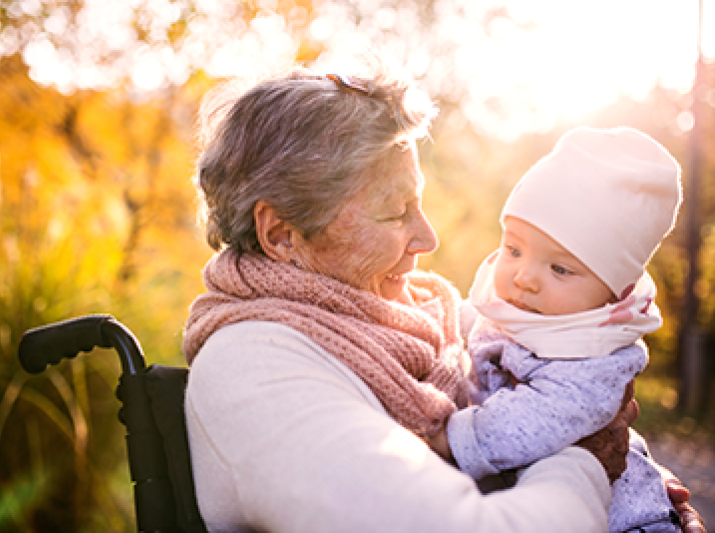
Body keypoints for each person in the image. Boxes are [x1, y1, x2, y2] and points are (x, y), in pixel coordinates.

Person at [182, 56, 703, 532]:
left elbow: (569, 371)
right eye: (394, 213)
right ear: (282, 236)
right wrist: (587, 463)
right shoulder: (256, 373)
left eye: (420, 205)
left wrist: (641, 490)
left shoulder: (420, 318)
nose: (428, 238)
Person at [438, 126, 692, 532]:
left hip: (625, 523)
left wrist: (452, 438)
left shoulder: (595, 357)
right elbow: (472, 328)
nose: (524, 277)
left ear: (614, 292)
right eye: (514, 249)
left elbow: (537, 417)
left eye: (559, 268)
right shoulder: (528, 311)